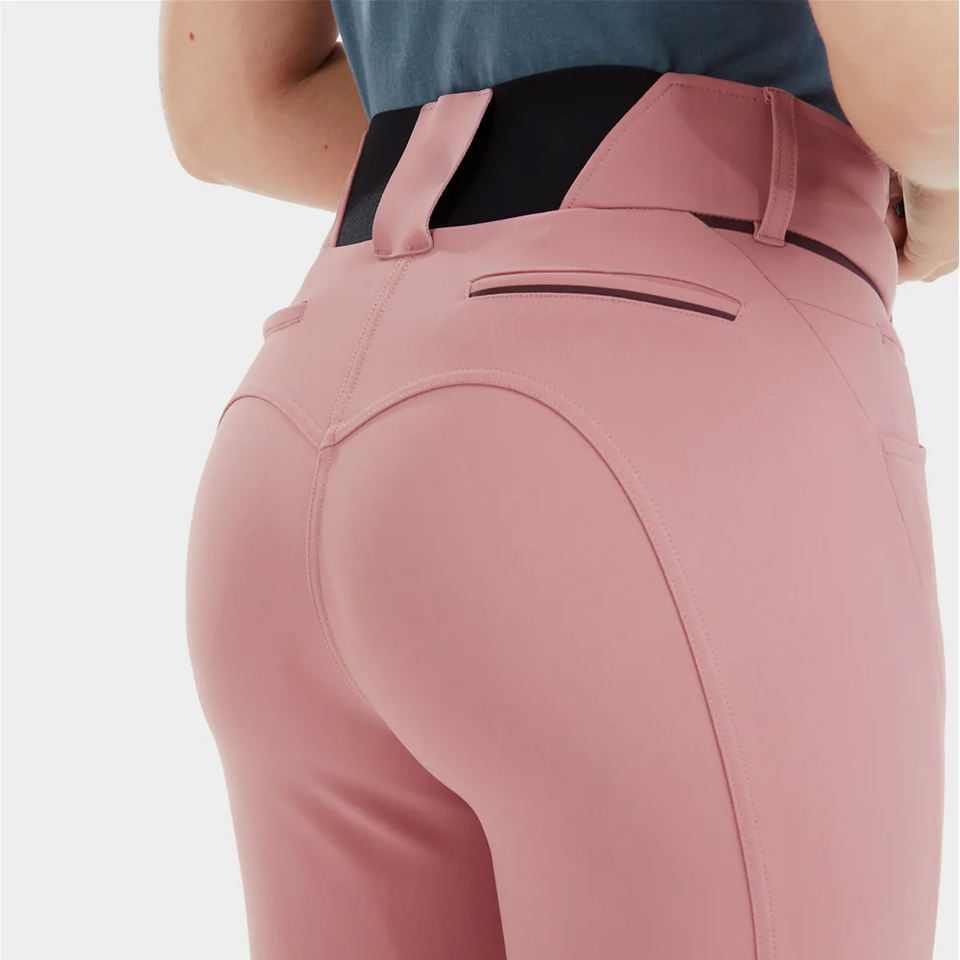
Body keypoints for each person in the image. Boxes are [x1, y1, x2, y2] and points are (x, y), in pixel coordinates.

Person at [161, 3, 957, 958]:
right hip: (655, 409)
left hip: (309, 401)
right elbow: (929, 94)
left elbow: (231, 108)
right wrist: (937, 201)